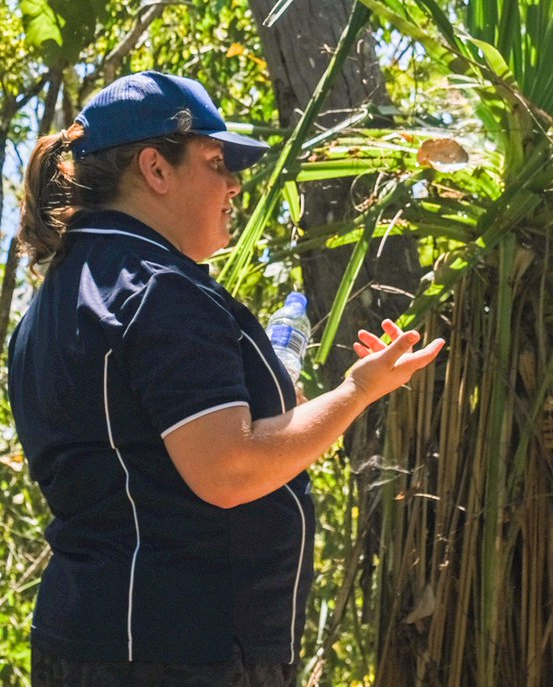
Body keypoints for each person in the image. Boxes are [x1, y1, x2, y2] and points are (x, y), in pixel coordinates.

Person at [7, 70, 444, 687]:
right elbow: (230, 470)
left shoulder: (54, 304)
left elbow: (146, 459)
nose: (235, 184)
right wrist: (358, 392)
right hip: (181, 654)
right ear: (156, 170)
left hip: (94, 641)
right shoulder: (160, 288)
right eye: (217, 161)